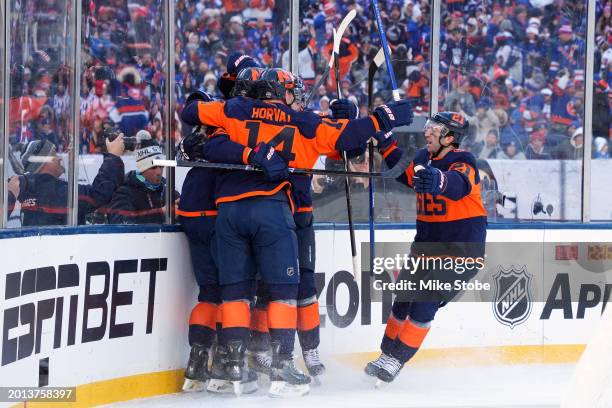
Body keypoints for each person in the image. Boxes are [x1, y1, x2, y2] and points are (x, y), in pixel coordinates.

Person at [182, 67, 412, 396]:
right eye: (294, 92)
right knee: (283, 291)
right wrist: (380, 119)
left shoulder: (233, 110)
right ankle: (282, 367)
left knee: (233, 292)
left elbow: (202, 127)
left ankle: (230, 368)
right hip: (273, 210)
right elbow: (345, 140)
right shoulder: (301, 121)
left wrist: (249, 152)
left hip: (228, 212)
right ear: (284, 93)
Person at [364, 111, 487, 383]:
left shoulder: (463, 161)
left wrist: (437, 180)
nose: (428, 132)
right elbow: (402, 173)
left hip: (460, 253)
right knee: (402, 301)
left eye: (435, 129)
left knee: (424, 300)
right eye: (429, 127)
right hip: (424, 250)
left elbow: (457, 185)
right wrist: (386, 142)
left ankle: (397, 359)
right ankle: (386, 355)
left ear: (451, 138)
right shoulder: (423, 158)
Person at [177, 52, 262, 396]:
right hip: (218, 212)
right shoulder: (236, 116)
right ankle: (229, 365)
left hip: (192, 208)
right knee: (235, 291)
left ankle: (197, 364)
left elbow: (186, 146)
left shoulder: (214, 109)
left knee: (209, 291)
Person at [8, 137, 125, 226]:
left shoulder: (29, 187)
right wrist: (113, 157)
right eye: (54, 153)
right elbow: (97, 195)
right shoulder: (51, 190)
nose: (59, 157)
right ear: (43, 163)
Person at [106, 140, 178, 224]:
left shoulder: (167, 189)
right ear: (142, 168)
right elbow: (121, 223)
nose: (159, 172)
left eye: (161, 166)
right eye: (153, 167)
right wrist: (161, 213)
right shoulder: (123, 191)